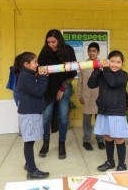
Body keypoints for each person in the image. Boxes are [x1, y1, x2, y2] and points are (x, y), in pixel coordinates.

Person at [38, 29, 77, 159]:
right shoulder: (45, 51)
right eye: (48, 42)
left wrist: (61, 89)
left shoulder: (68, 50)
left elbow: (73, 73)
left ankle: (62, 144)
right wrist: (42, 73)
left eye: (53, 41)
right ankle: (45, 143)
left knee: (63, 117)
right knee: (46, 117)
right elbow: (39, 70)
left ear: (59, 40)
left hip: (64, 87)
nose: (51, 44)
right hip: (48, 89)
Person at [88, 50, 128, 171]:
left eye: (118, 62)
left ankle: (122, 164)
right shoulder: (103, 73)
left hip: (117, 111)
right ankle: (110, 161)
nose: (115, 64)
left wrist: (105, 69)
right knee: (107, 136)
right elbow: (91, 84)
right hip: (104, 110)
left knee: (118, 138)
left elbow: (112, 82)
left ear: (122, 63)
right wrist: (97, 70)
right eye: (112, 61)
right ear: (107, 61)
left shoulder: (123, 75)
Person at [16, 52, 49, 179]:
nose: (38, 64)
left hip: (31, 112)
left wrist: (40, 76)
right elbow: (38, 91)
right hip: (29, 114)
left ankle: (28, 163)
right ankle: (32, 170)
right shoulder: (25, 76)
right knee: (29, 142)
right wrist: (43, 77)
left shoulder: (27, 75)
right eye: (35, 62)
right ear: (26, 64)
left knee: (30, 140)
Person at [77, 42, 105, 151]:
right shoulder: (84, 65)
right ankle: (87, 140)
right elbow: (80, 81)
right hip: (86, 96)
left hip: (99, 97)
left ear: (98, 52)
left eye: (94, 51)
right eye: (90, 51)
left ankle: (100, 139)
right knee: (87, 120)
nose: (91, 53)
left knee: (99, 119)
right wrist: (80, 95)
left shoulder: (102, 65)